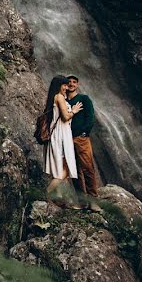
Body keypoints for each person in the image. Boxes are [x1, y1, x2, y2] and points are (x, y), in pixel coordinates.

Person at [43, 75, 83, 205]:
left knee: (63, 166)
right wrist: (75, 111)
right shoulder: (59, 97)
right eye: (64, 85)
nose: (67, 87)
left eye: (67, 85)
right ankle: (48, 192)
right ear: (58, 85)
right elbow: (65, 117)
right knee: (65, 165)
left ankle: (57, 195)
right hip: (60, 134)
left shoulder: (57, 97)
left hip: (61, 133)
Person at [66, 74, 102, 210]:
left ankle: (93, 201)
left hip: (81, 139)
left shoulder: (83, 99)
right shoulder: (64, 101)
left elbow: (90, 117)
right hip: (67, 140)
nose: (71, 84)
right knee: (73, 171)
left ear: (77, 85)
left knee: (88, 168)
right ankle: (81, 201)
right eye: (69, 82)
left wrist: (85, 132)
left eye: (74, 82)